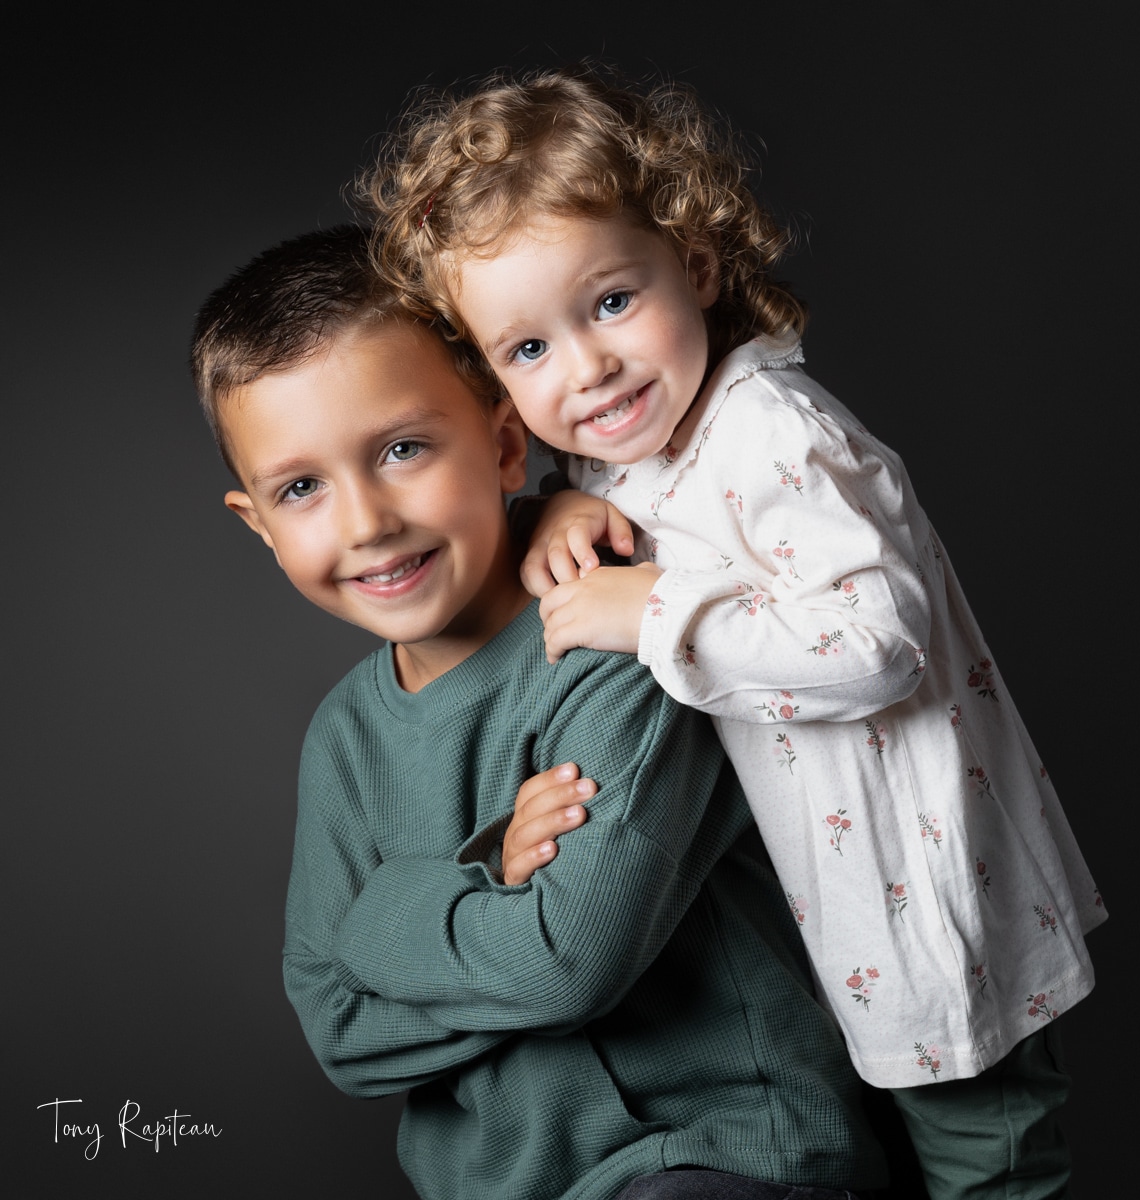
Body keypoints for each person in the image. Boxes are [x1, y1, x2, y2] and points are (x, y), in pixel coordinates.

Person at [364, 65, 1107, 1199]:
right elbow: (632, 494)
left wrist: (652, 608)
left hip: (932, 905)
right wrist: (568, 502)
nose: (589, 365)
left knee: (986, 1169)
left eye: (612, 301)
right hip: (832, 927)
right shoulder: (637, 444)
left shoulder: (775, 434)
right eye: (528, 351)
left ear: (697, 266)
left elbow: (879, 643)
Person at [189, 224, 892, 1200]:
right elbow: (340, 1036)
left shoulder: (615, 633)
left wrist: (384, 915)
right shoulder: (344, 740)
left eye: (401, 449)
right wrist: (482, 882)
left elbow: (566, 963)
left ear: (506, 441)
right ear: (258, 524)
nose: (365, 522)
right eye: (302, 488)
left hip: (711, 1158)